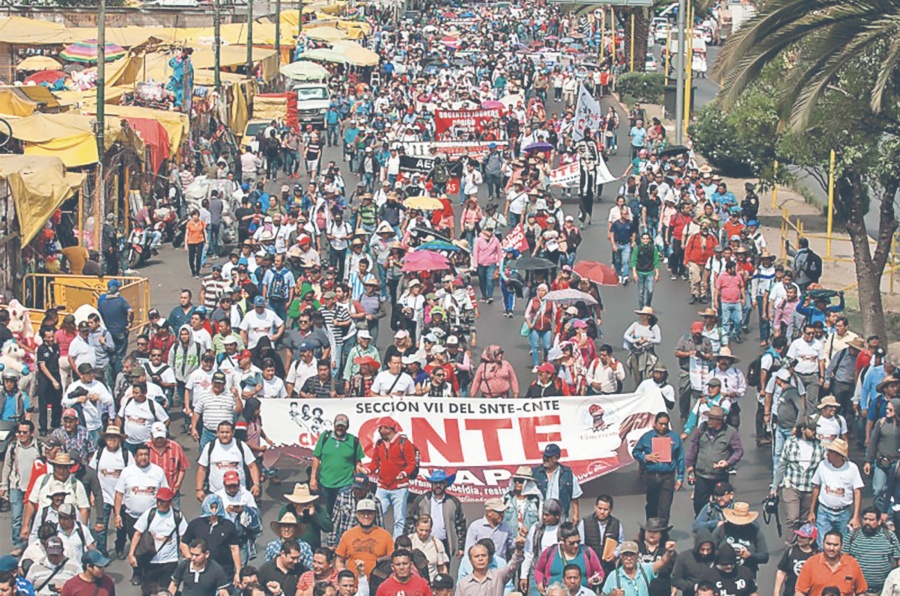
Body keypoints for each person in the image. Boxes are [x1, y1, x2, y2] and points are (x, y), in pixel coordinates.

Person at [685, 406, 745, 515]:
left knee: (722, 504)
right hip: (701, 475)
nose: (708, 421)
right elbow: (694, 445)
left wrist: (728, 462)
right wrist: (689, 463)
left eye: (711, 419)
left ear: (719, 421)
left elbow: (738, 451)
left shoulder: (730, 433)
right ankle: (701, 524)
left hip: (719, 476)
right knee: (699, 504)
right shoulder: (702, 429)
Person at [772, 418, 826, 537]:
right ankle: (790, 547)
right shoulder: (790, 443)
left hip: (810, 488)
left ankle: (802, 547)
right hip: (792, 486)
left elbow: (824, 467)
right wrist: (774, 487)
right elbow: (781, 465)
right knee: (792, 519)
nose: (814, 432)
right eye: (811, 430)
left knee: (805, 520)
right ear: (803, 430)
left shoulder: (820, 445)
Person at [363, 419, 418, 538]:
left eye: (381, 428)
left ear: (388, 429)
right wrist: (367, 471)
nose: (379, 430)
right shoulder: (379, 444)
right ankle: (377, 538)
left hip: (399, 487)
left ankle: (395, 544)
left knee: (399, 519)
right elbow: (375, 462)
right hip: (382, 486)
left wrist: (403, 473)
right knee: (375, 514)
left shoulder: (404, 443)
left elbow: (411, 463)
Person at [128, 487, 187, 592]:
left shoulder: (177, 516)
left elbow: (183, 539)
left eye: (162, 501)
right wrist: (131, 554)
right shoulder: (150, 514)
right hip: (151, 560)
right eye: (158, 500)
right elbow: (137, 533)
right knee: (148, 590)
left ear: (169, 502)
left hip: (170, 562)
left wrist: (187, 557)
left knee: (166, 591)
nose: (159, 504)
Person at [631, 412, 685, 525]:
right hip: (651, 476)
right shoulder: (647, 437)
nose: (663, 427)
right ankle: (651, 530)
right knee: (651, 505)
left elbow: (680, 458)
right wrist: (645, 457)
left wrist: (680, 477)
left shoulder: (674, 437)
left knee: (664, 507)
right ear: (655, 424)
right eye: (661, 424)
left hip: (667, 477)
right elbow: (635, 452)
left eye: (665, 424)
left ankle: (663, 533)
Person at [0, 420, 42, 557]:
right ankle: (18, 544)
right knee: (16, 518)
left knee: (35, 518)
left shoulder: (39, 447)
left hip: (35, 489)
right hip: (16, 487)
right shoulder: (13, 447)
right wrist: (3, 486)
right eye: (19, 432)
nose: (21, 435)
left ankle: (33, 544)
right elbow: (7, 467)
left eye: (25, 432)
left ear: (31, 433)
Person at [809, 438, 863, 542]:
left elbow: (857, 492)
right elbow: (816, 487)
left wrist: (856, 516)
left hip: (843, 513)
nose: (827, 454)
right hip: (824, 511)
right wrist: (812, 511)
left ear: (838, 455)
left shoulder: (852, 468)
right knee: (822, 543)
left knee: (843, 543)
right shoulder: (822, 465)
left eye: (830, 452)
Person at [404, 469, 467, 560]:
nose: (438, 485)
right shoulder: (421, 500)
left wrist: (461, 547)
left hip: (445, 542)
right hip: (423, 542)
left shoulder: (453, 502)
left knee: (444, 571)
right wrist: (408, 542)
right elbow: (411, 520)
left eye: (441, 483)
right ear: (431, 484)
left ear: (446, 483)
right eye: (435, 483)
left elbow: (460, 525)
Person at [310, 414, 365, 513]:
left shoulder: (353, 441)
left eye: (343, 426)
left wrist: (360, 478)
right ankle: (332, 528)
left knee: (344, 510)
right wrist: (313, 478)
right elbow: (316, 458)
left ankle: (343, 528)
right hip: (327, 482)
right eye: (338, 425)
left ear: (347, 427)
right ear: (334, 425)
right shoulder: (325, 437)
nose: (340, 428)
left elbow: (358, 462)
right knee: (330, 510)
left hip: (346, 483)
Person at [840, 506, 900, 593]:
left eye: (871, 520)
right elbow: (843, 560)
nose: (867, 522)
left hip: (882, 590)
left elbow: (898, 559)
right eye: (865, 519)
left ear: (879, 521)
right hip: (857, 590)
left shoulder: (889, 536)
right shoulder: (852, 536)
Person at [533, 522, 604, 592]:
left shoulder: (587, 552)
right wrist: (540, 583)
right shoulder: (550, 551)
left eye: (578, 542)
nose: (576, 545)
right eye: (571, 543)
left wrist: (596, 579)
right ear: (562, 541)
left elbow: (599, 572)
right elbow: (538, 570)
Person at [794, 530, 866, 596]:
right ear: (823, 543)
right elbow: (800, 591)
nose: (831, 548)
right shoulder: (811, 563)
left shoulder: (852, 564)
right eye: (828, 544)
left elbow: (861, 592)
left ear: (841, 546)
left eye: (835, 545)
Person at [335, 499, 393, 579]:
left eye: (369, 513)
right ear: (357, 514)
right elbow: (339, 560)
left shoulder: (386, 536)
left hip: (377, 584)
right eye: (362, 513)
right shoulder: (347, 535)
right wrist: (343, 575)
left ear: (374, 515)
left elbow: (392, 560)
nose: (366, 516)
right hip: (352, 586)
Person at [711, 502, 769, 577]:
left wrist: (750, 556)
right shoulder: (722, 529)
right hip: (723, 575)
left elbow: (765, 557)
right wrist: (723, 555)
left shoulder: (754, 531)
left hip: (747, 575)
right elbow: (710, 550)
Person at [455, 534, 525, 596]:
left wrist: (519, 549)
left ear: (488, 558)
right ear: (470, 560)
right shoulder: (463, 584)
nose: (480, 559)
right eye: (477, 556)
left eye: (483, 555)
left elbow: (513, 565)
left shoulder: (498, 576)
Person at [600, 539, 676, 596]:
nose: (628, 558)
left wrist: (668, 552)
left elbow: (662, 561)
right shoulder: (613, 576)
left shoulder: (645, 569)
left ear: (637, 555)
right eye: (625, 554)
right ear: (621, 556)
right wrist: (611, 595)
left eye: (632, 554)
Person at [532, 443, 582, 522]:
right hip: (540, 517)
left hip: (560, 517)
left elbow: (575, 496)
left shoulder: (567, 473)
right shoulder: (535, 473)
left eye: (548, 457)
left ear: (557, 458)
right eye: (544, 456)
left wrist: (575, 515)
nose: (545, 459)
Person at [773, 524, 819, 596]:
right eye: (799, 536)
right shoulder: (791, 551)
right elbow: (781, 571)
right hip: (790, 593)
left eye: (803, 537)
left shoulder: (817, 555)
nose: (799, 539)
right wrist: (776, 593)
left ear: (811, 540)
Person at [671, 530, 717, 596]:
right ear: (697, 547)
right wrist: (694, 586)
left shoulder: (717, 557)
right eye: (702, 549)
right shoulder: (684, 557)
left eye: (708, 549)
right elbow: (675, 580)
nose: (705, 553)